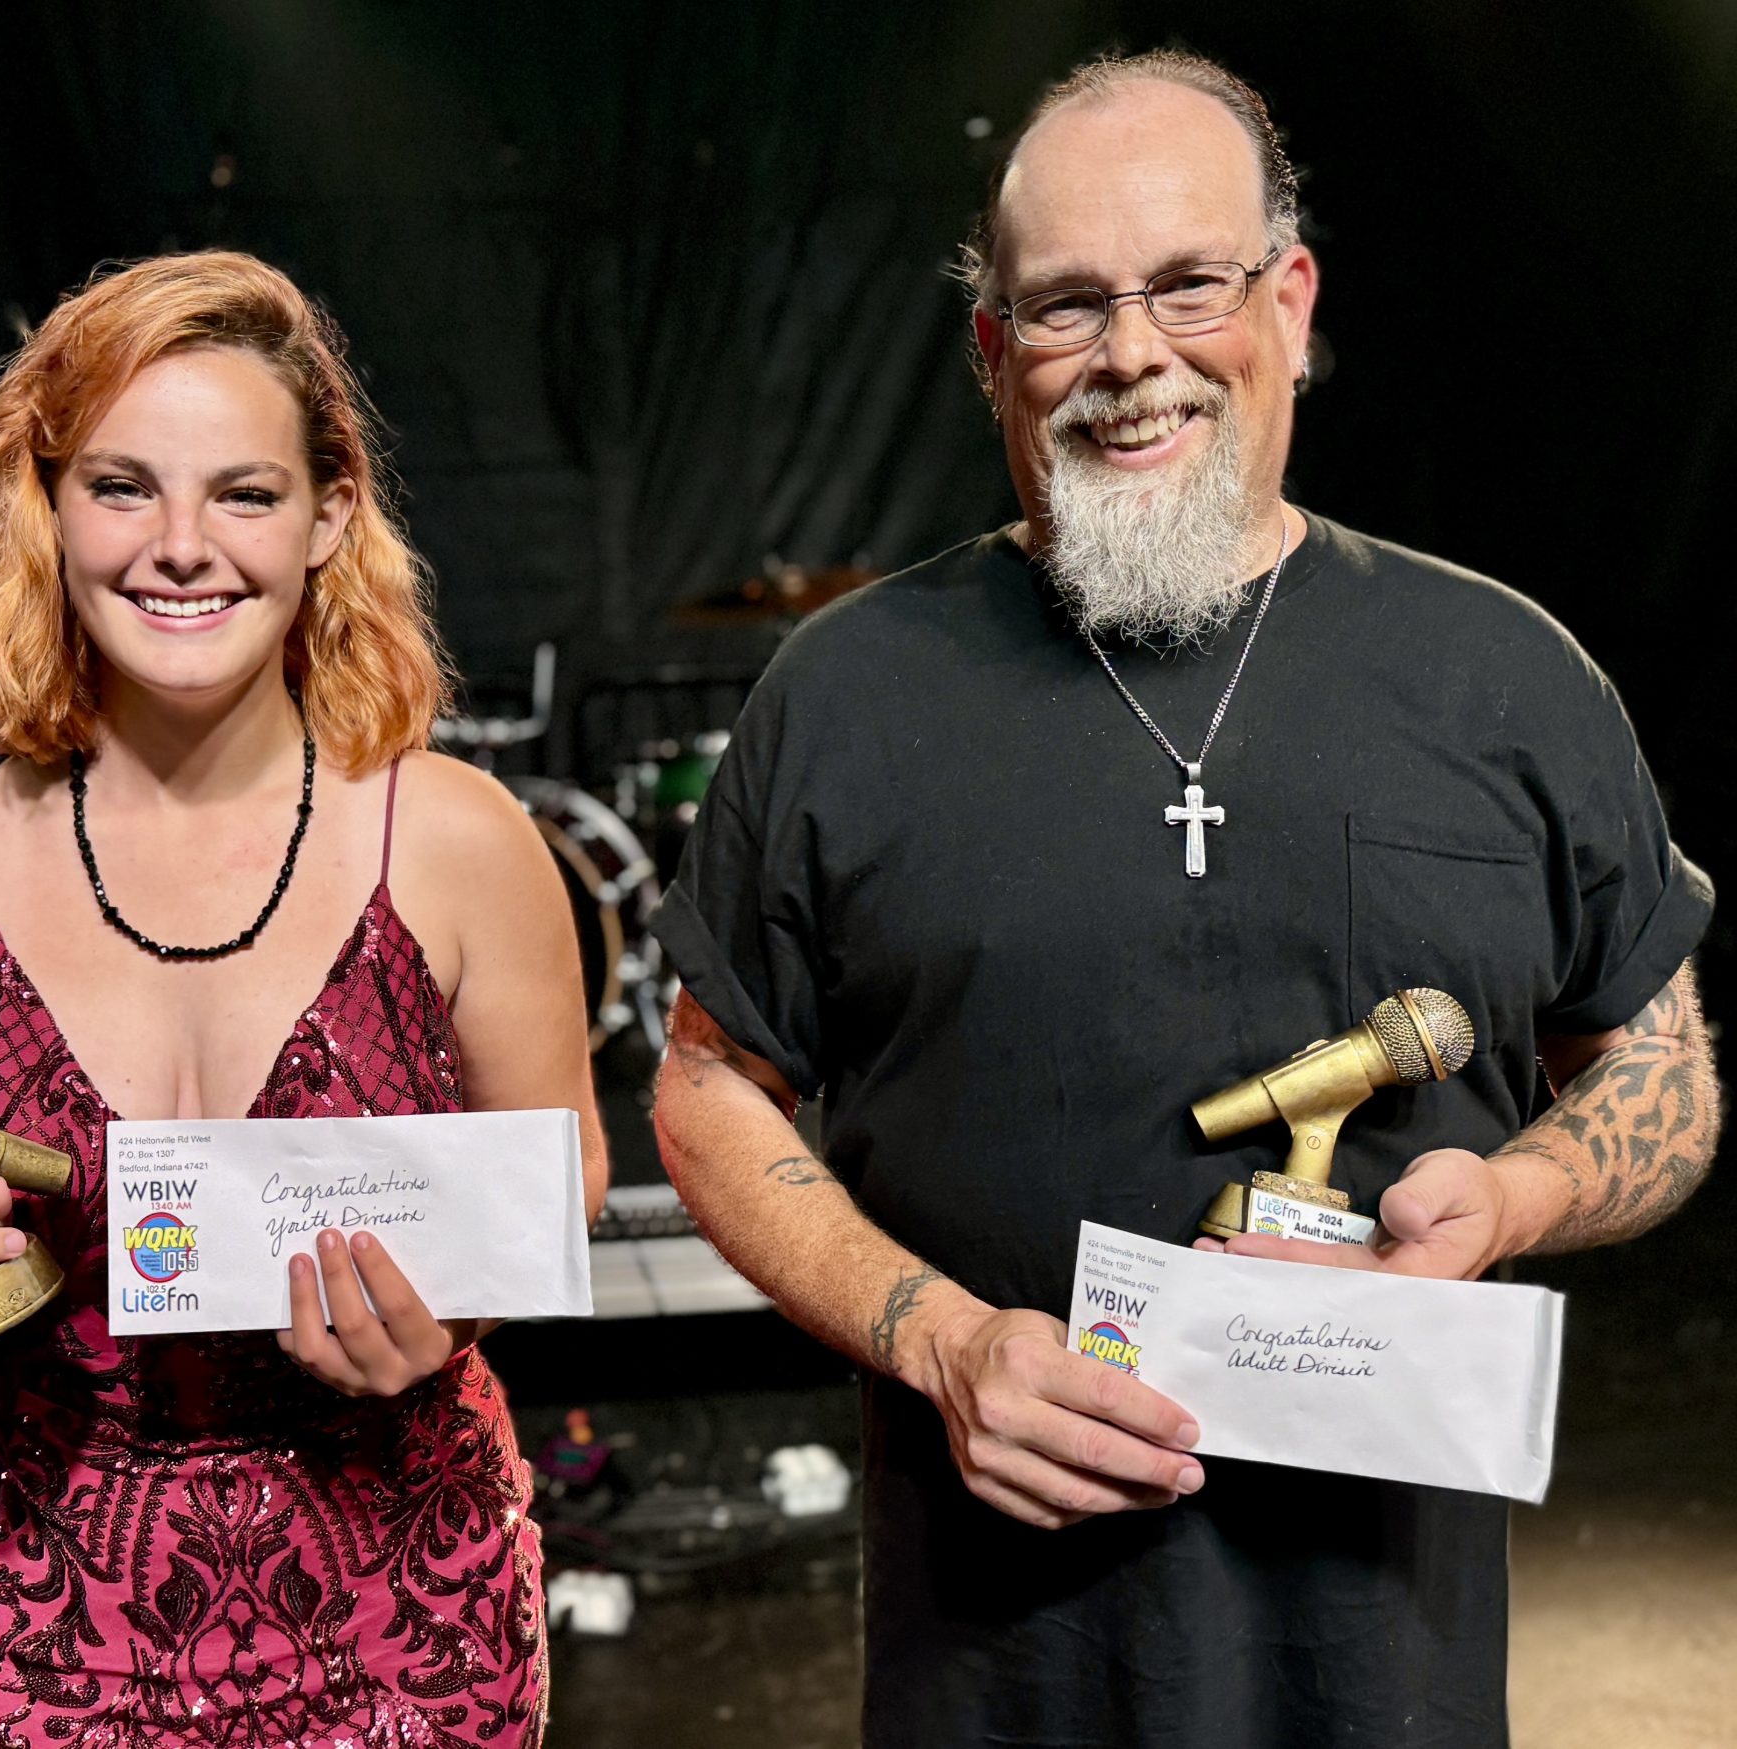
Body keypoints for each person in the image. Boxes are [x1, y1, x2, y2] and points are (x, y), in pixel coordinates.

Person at [651, 49, 1718, 1748]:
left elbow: (1659, 1070)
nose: (1133, 354)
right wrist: (938, 1339)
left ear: (1289, 305)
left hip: (1389, 1684)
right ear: (992, 350)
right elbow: (708, 1086)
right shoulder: (844, 696)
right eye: (1067, 305)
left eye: (1189, 285)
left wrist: (1513, 1196)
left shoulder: (1503, 675)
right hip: (991, 1680)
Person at [0, 252, 605, 1747]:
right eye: (122, 487)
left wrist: (451, 1310)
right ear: (48, 509)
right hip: (43, 1622)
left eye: (244, 493)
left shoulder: (457, 839)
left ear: (330, 516)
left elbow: (560, 1170)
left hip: (408, 1615)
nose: (182, 548)